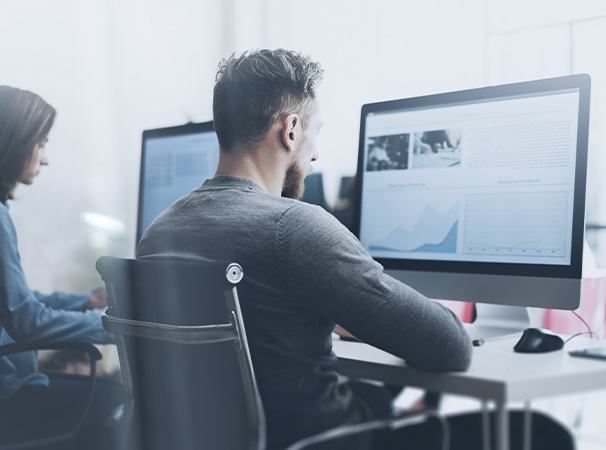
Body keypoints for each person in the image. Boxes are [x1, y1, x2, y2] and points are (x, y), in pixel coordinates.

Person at [137, 49, 573, 450]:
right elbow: (450, 347)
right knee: (542, 434)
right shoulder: (295, 226)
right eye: (315, 133)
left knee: (374, 393)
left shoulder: (161, 232)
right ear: (290, 130)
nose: (316, 153)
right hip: (323, 441)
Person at [0, 86, 123, 448]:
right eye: (41, 144)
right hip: (12, 397)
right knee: (120, 398)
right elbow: (25, 320)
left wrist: (83, 302)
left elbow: (15, 300)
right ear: (15, 143)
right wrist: (115, 329)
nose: (45, 158)